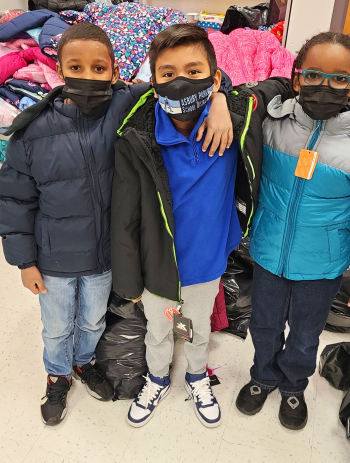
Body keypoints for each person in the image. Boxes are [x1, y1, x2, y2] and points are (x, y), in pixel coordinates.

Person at [0, 23, 233, 427]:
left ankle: (85, 363)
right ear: (58, 69)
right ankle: (57, 374)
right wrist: (24, 262)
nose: (87, 77)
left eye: (98, 68)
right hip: (53, 256)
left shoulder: (129, 103)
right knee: (56, 326)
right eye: (76, 67)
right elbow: (15, 201)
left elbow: (188, 77)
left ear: (115, 72)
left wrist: (221, 100)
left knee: (92, 319)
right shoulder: (32, 131)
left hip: (106, 255)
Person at [110, 23, 260, 428]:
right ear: (153, 81)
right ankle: (157, 377)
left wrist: (223, 100)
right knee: (159, 331)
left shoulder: (235, 123)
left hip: (207, 262)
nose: (180, 82)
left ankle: (197, 375)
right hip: (157, 266)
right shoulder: (136, 139)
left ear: (212, 79)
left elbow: (278, 86)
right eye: (168, 74)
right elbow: (123, 218)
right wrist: (128, 282)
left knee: (195, 328)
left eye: (194, 72)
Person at [235, 32, 350, 431]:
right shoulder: (271, 124)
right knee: (263, 323)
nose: (326, 86)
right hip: (268, 252)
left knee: (305, 333)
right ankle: (262, 375)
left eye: (340, 78)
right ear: (297, 77)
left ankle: (293, 384)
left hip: (322, 264)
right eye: (315, 75)